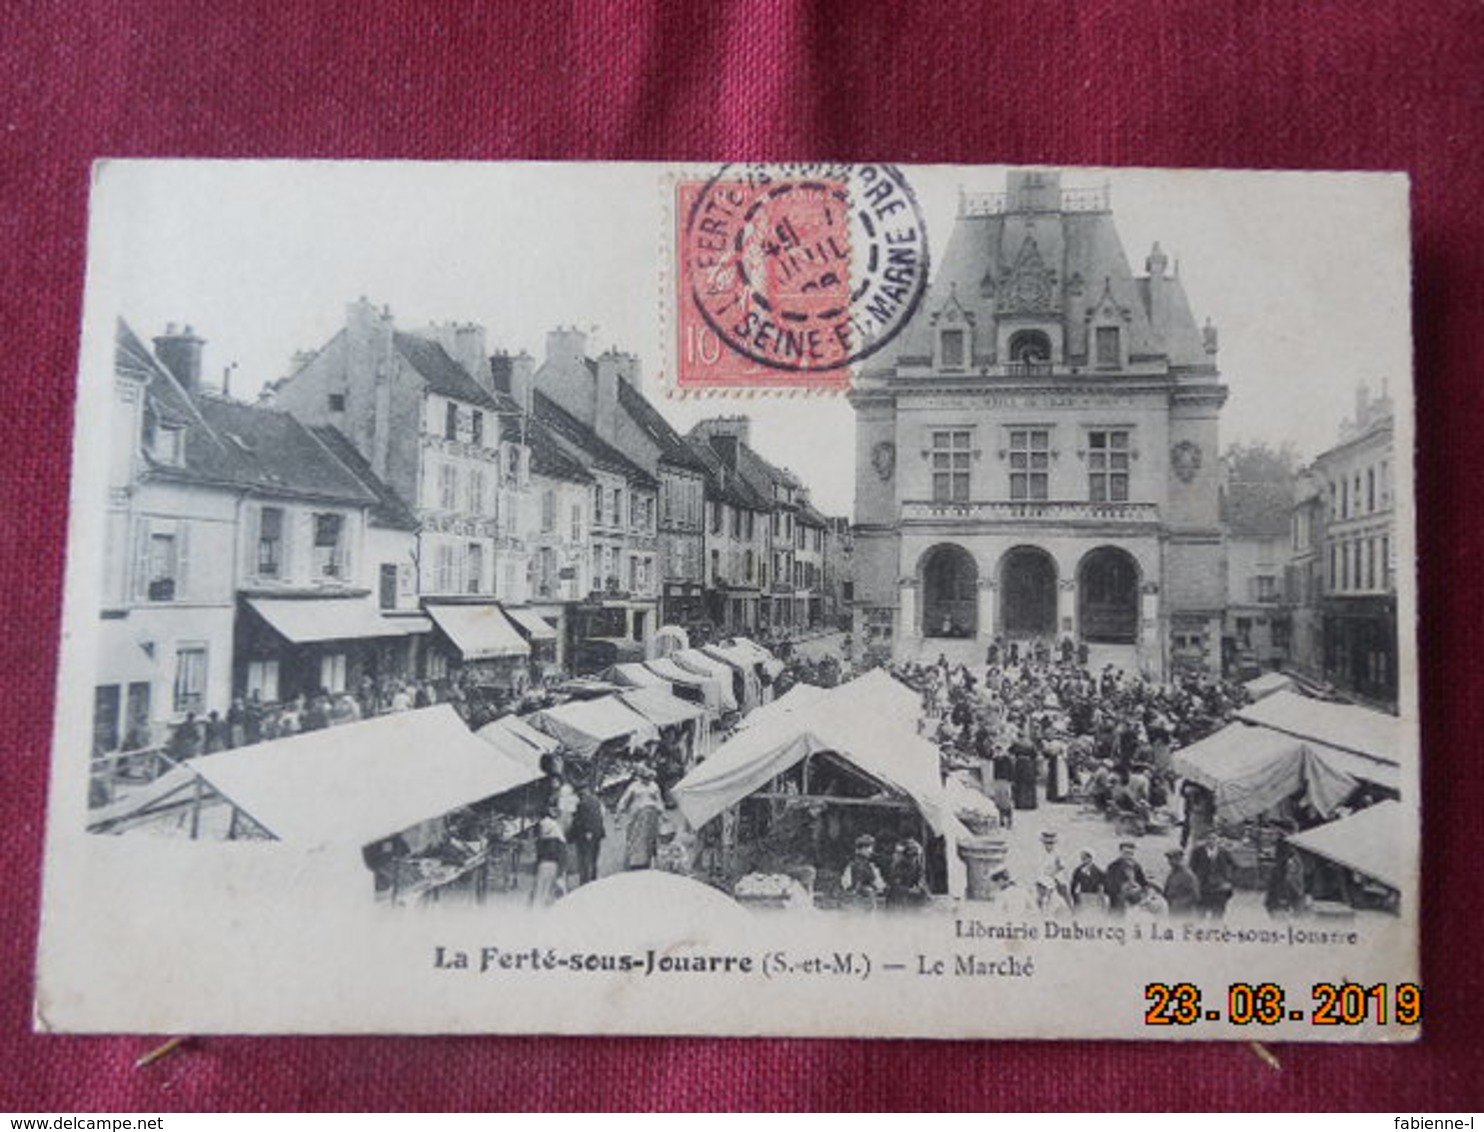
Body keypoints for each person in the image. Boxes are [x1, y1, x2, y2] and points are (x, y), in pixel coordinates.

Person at [615, 763, 664, 870]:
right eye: (645, 778)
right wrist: (618, 815)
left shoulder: (654, 786)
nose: (647, 780)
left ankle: (648, 862)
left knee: (650, 840)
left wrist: (662, 814)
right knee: (635, 839)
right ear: (640, 778)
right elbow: (623, 801)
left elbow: (659, 801)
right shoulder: (633, 787)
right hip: (636, 817)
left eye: (649, 778)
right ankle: (633, 863)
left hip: (651, 817)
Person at [1189, 829, 1238, 919]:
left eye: (1214, 838)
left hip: (1219, 890)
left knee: (1217, 916)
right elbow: (1191, 868)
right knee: (1200, 915)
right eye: (1209, 838)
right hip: (1203, 889)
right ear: (1205, 840)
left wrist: (1228, 881)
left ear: (1218, 840)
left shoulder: (1224, 852)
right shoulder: (1198, 852)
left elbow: (1235, 867)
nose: (1211, 841)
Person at [569, 775, 606, 887]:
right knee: (594, 859)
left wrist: (571, 835)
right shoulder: (596, 800)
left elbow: (580, 821)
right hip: (598, 834)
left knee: (584, 860)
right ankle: (593, 880)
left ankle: (585, 883)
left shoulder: (582, 803)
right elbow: (600, 817)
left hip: (586, 835)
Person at [530, 803, 567, 908]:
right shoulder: (556, 827)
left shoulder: (538, 828)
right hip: (554, 863)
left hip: (543, 863)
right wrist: (562, 869)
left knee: (539, 892)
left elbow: (538, 849)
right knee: (554, 893)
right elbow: (562, 849)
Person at [1264, 838, 1308, 918]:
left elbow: (1291, 881)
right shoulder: (1286, 863)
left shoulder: (1290, 861)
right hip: (1285, 900)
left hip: (1288, 900)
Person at [1102, 841, 1148, 916]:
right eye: (1126, 853)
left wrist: (1139, 889)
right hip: (1118, 901)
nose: (1129, 856)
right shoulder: (1113, 866)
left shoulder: (1136, 866)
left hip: (1134, 901)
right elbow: (1107, 886)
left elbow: (1143, 883)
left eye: (1131, 854)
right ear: (1121, 852)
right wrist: (1122, 887)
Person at [840, 834, 886, 908]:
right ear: (860, 849)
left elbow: (879, 884)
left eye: (870, 847)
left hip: (866, 899)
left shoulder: (869, 865)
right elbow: (846, 883)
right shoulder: (853, 865)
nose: (870, 851)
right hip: (859, 900)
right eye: (867, 848)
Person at [885, 838, 930, 910]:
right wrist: (909, 890)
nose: (914, 859)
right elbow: (895, 886)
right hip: (898, 900)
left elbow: (921, 879)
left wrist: (920, 886)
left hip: (912, 896)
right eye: (911, 856)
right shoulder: (898, 866)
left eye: (916, 856)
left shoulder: (917, 865)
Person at [1162, 847, 1201, 917]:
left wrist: (1179, 904)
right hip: (1172, 910)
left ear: (1179, 859)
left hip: (1184, 913)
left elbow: (1195, 896)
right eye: (1169, 859)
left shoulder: (1188, 875)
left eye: (1172, 859)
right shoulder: (1172, 873)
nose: (1169, 862)